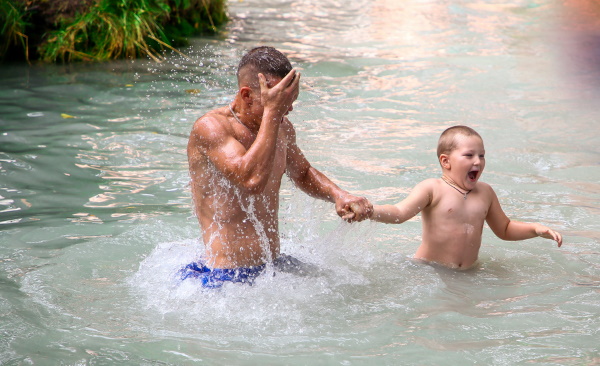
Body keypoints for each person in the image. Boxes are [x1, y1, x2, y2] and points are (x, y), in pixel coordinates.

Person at [183, 46, 372, 288]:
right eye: (279, 102)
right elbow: (251, 181)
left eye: (290, 102)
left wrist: (339, 194)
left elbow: (302, 173)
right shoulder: (212, 127)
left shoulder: (281, 127)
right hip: (224, 275)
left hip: (273, 266)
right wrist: (273, 112)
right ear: (247, 95)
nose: (288, 110)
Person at [359, 125, 562, 270]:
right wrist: (370, 210)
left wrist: (535, 229)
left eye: (482, 155)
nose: (478, 161)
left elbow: (505, 229)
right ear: (446, 161)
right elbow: (400, 212)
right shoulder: (432, 188)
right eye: (469, 155)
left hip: (469, 272)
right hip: (430, 270)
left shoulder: (486, 192)